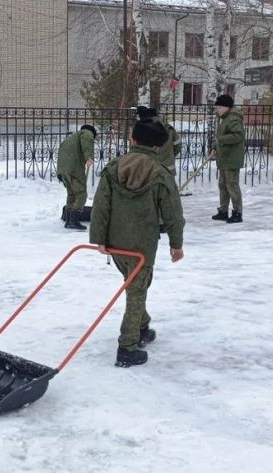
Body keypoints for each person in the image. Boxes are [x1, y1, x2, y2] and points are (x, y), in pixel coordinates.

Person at [90, 119, 185, 368]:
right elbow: (173, 212)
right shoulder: (161, 173)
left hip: (116, 242)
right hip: (142, 244)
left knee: (134, 284)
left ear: (132, 139)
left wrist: (99, 238)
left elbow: (101, 204)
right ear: (158, 146)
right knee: (137, 290)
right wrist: (176, 243)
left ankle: (142, 326)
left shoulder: (113, 168)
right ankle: (127, 347)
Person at [209, 94, 244, 223]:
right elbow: (220, 135)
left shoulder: (233, 118)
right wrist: (214, 147)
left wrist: (221, 141)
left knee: (232, 185)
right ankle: (223, 211)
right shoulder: (225, 118)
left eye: (219, 107)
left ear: (226, 107)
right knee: (223, 185)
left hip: (232, 158)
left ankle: (237, 212)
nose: (217, 109)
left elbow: (238, 136)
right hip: (224, 157)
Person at [56, 124, 96, 230]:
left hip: (63, 169)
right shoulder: (87, 133)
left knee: (72, 194)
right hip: (74, 169)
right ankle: (73, 221)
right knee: (81, 194)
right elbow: (87, 141)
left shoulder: (70, 139)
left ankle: (69, 220)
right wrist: (89, 157)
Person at [135, 106, 182, 177]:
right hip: (168, 170)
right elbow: (178, 146)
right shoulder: (169, 129)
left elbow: (136, 149)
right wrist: (169, 155)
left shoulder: (142, 130)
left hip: (148, 171)